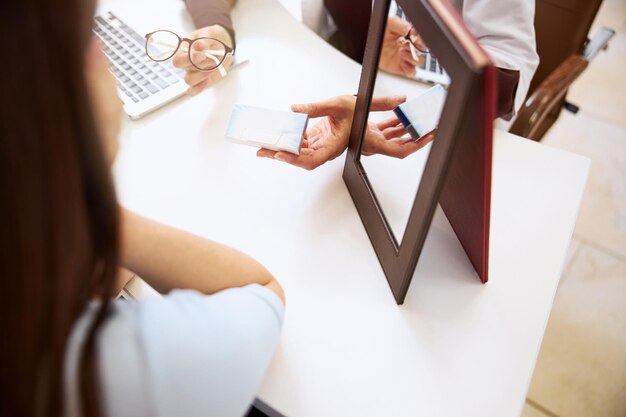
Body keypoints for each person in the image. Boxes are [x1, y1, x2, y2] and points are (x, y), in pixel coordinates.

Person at [0, 0, 285, 416]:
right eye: (90, 38)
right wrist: (88, 212)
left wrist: (217, 29)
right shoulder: (126, 366)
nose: (105, 50)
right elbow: (260, 292)